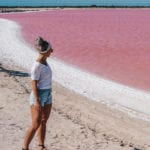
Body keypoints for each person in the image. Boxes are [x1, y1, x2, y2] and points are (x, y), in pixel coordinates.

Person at [22, 36, 53, 150]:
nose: (52, 51)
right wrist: (37, 101)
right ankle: (24, 147)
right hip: (38, 95)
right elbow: (34, 84)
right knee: (35, 124)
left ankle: (41, 145)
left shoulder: (45, 62)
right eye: (50, 49)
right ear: (45, 51)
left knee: (44, 121)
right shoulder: (37, 66)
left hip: (48, 94)